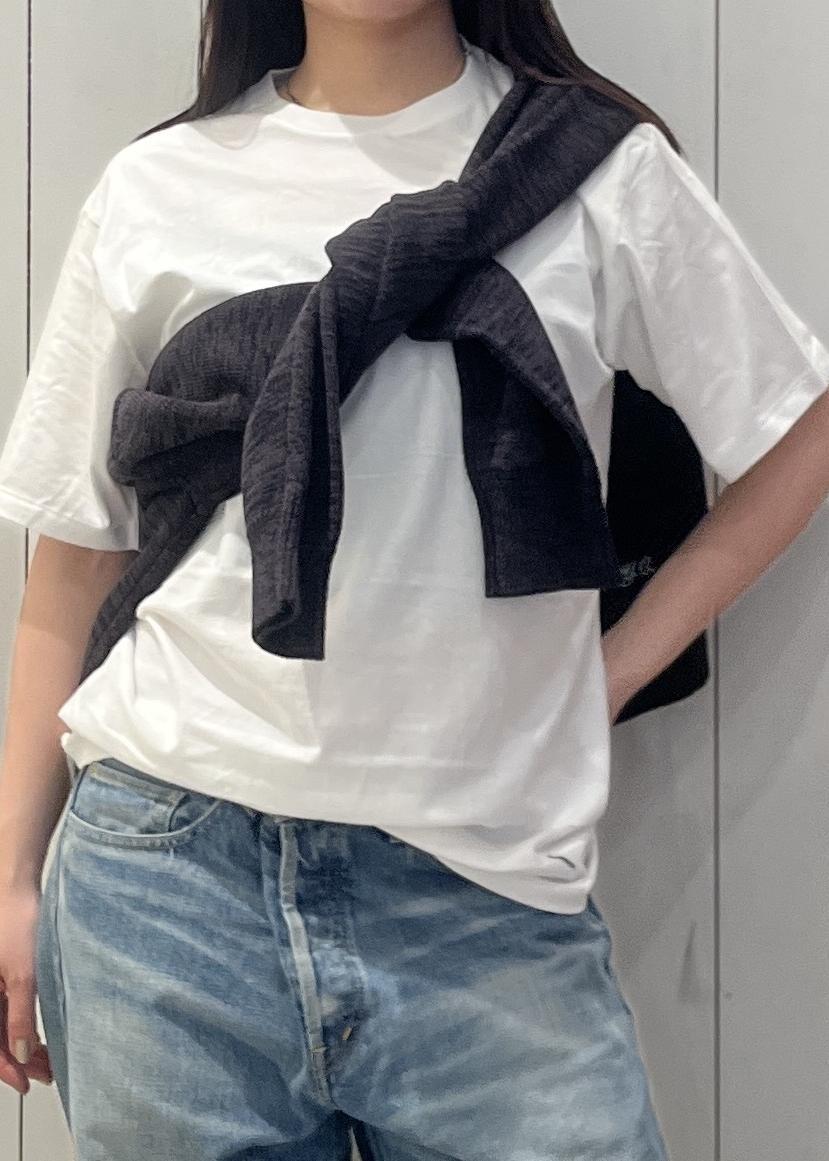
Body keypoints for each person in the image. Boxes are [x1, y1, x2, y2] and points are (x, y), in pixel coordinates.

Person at [1, 2, 828, 1158]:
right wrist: (12, 878)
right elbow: (80, 555)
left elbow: (796, 435)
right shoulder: (156, 185)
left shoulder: (594, 169)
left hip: (486, 901)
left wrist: (602, 678)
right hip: (167, 887)